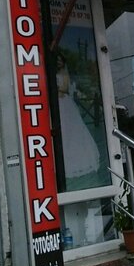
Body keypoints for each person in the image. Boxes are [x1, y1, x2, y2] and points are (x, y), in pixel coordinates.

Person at [56, 53, 101, 183]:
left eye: (60, 60)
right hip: (57, 102)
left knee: (71, 131)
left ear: (63, 62)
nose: (58, 62)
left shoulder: (64, 74)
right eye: (57, 60)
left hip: (64, 103)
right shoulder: (55, 73)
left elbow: (65, 88)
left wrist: (57, 89)